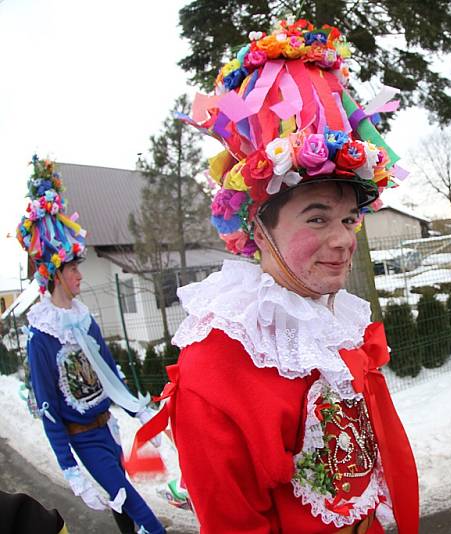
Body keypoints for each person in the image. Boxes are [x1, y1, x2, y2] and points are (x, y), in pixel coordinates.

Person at [128, 19, 419, 533]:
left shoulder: (336, 326)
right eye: (316, 217)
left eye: (349, 219)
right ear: (259, 231)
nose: (343, 239)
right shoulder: (216, 366)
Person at [16, 156, 166, 533]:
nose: (80, 276)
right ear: (55, 275)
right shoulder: (41, 334)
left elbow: (108, 372)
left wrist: (137, 411)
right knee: (139, 510)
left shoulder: (82, 316)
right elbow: (49, 407)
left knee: (124, 514)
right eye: (73, 270)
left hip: (108, 430)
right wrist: (71, 471)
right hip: (84, 440)